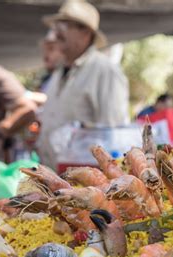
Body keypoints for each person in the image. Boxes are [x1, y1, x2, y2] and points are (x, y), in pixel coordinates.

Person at [38, 0, 130, 168]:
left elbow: (113, 136)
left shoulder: (104, 71)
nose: (56, 31)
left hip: (86, 185)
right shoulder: (58, 73)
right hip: (54, 179)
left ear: (85, 32)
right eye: (56, 24)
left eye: (65, 24)